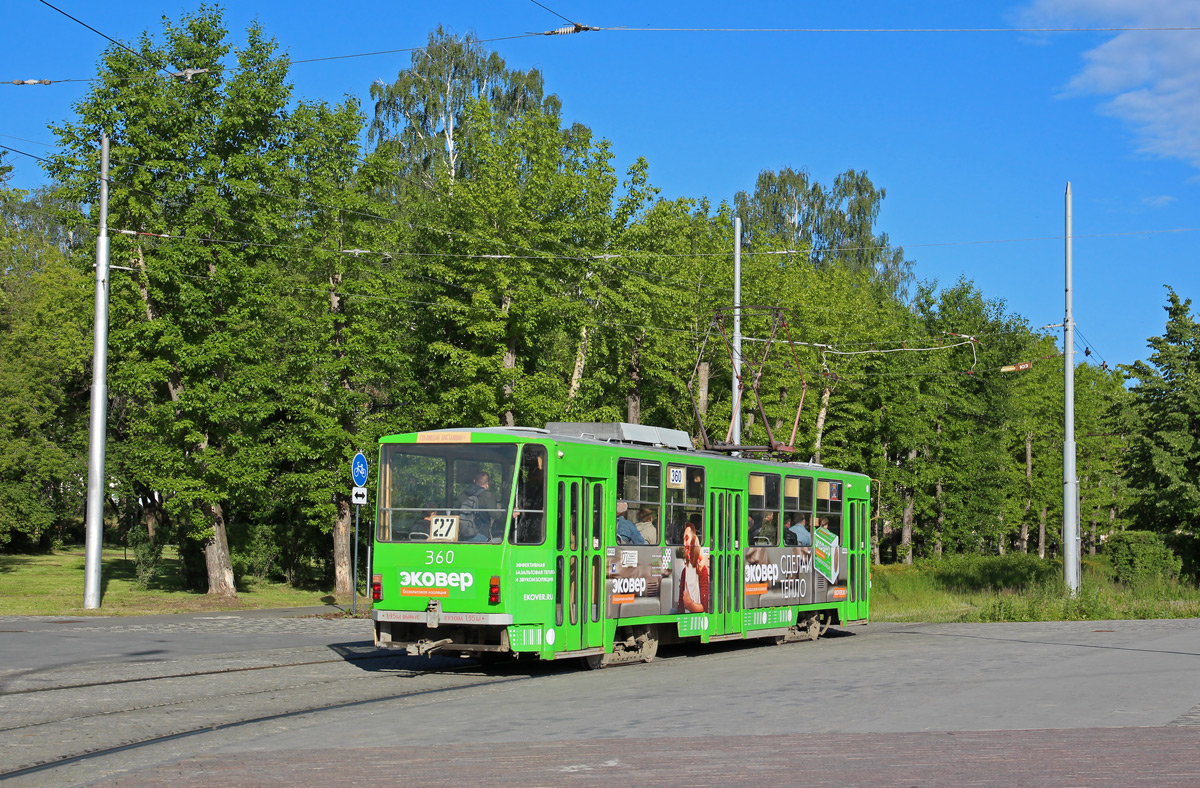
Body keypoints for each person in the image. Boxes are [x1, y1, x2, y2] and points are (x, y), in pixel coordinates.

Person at [676, 523, 710, 613]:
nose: (684, 544)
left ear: (693, 541)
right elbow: (680, 605)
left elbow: (704, 608)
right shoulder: (684, 571)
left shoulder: (702, 570)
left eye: (687, 539)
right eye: (683, 540)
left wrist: (689, 604)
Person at [457, 471, 497, 542]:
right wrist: (509, 514)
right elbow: (495, 514)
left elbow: (456, 513)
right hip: (480, 533)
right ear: (487, 484)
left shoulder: (463, 494)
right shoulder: (487, 495)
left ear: (474, 481)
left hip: (462, 534)